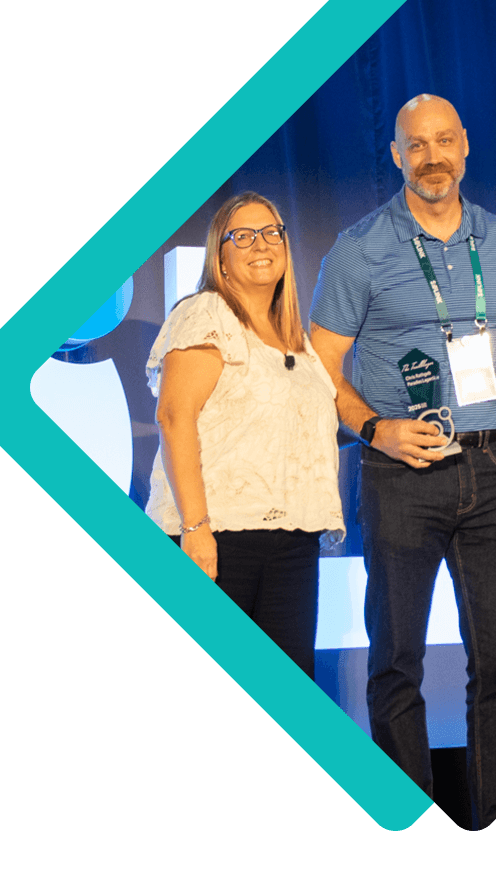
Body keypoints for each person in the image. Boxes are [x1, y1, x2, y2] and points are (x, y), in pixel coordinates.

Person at [308, 94, 496, 830]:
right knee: (397, 665)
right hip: (400, 478)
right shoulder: (359, 248)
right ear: (396, 154)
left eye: (444, 141)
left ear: (465, 146)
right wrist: (374, 430)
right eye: (417, 144)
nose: (432, 156)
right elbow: (320, 365)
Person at [145, 191, 344, 681]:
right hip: (219, 541)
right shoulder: (206, 313)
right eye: (243, 235)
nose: (261, 244)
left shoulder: (295, 339)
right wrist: (196, 530)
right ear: (221, 256)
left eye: (271, 232)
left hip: (293, 544)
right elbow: (174, 417)